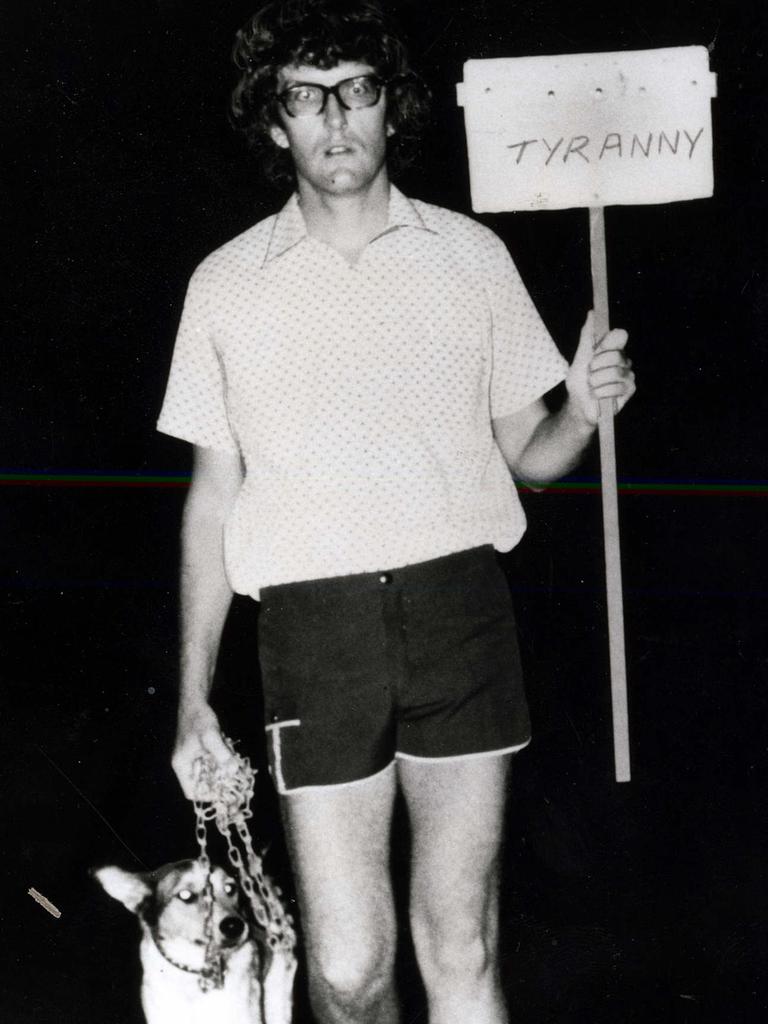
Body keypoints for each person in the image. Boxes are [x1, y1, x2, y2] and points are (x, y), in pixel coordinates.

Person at [158, 2, 636, 1022]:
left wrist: (584, 414)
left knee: (459, 946)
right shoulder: (224, 287)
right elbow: (211, 505)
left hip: (459, 607)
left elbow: (532, 462)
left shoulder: (471, 257)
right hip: (313, 629)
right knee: (346, 968)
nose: (335, 118)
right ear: (274, 119)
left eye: (358, 90)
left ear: (391, 107)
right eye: (305, 94)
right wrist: (193, 698)